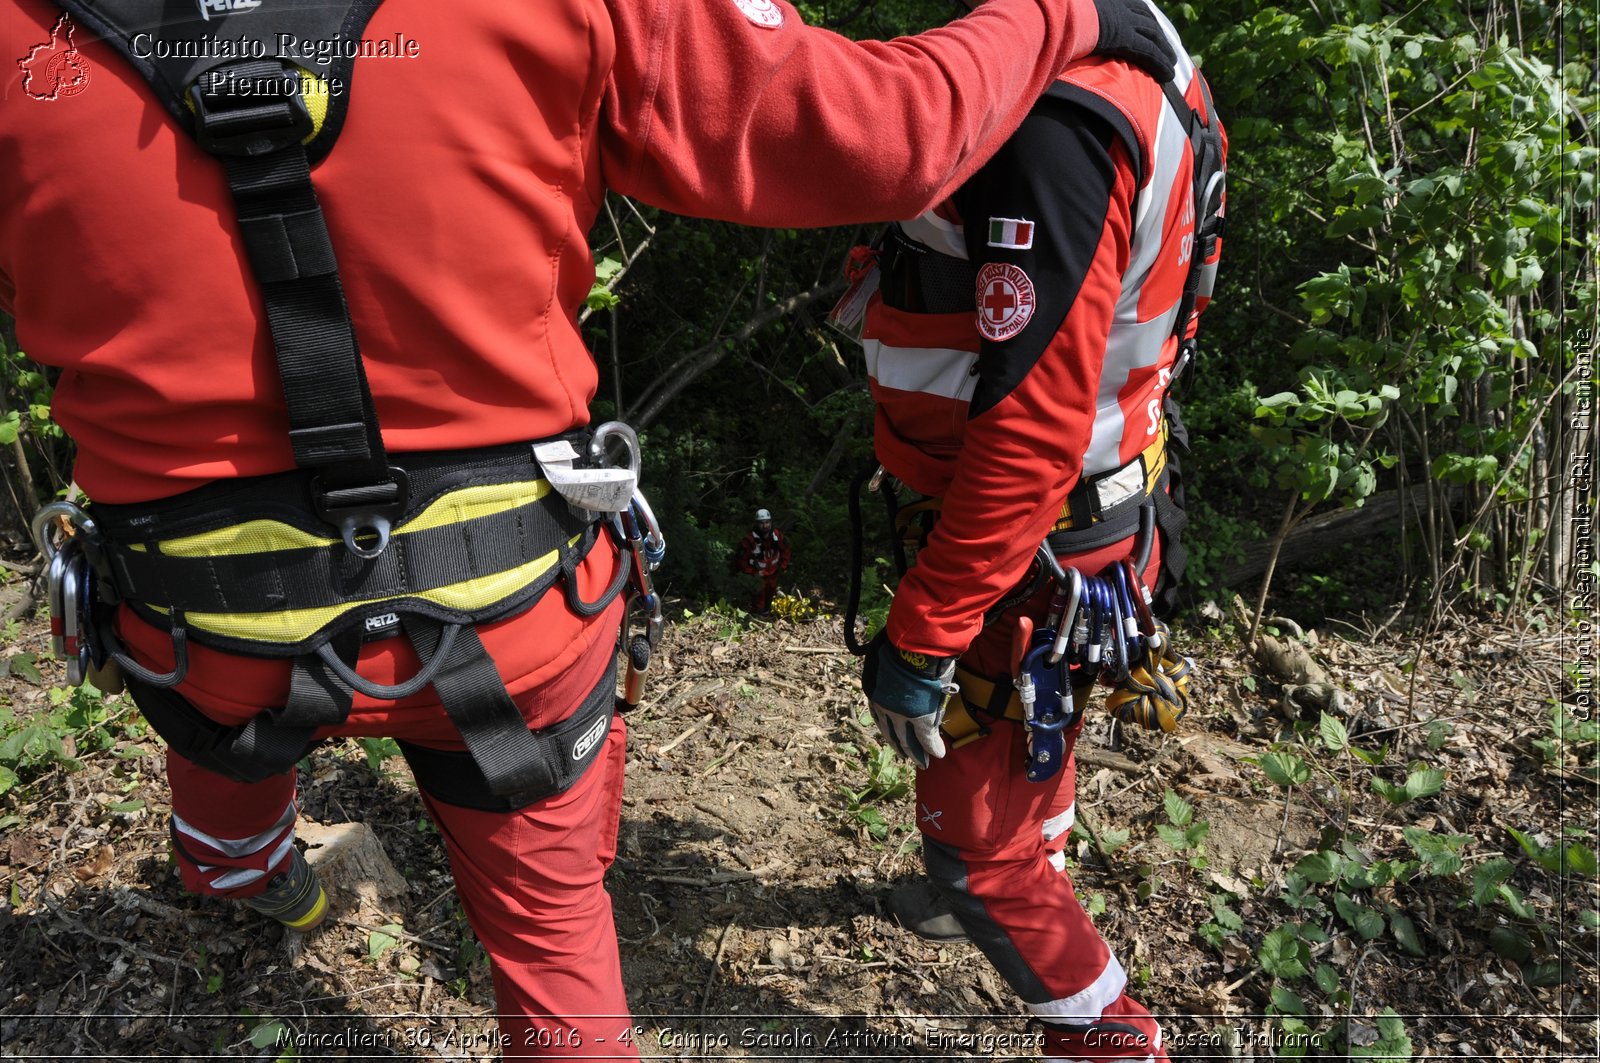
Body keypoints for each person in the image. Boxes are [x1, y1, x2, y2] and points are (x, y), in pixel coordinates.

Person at [4, 0, 1178, 1055]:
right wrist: (1057, 10)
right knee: (553, 932)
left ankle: (234, 865)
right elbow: (887, 135)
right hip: (504, 614)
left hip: (195, 619)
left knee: (220, 689)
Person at [851, 0, 1225, 1059]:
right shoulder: (1135, 45)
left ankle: (1106, 1035)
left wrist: (923, 634)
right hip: (1094, 519)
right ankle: (1033, 861)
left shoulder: (1059, 125)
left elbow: (1027, 434)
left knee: (975, 849)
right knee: (1029, 758)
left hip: (1029, 547)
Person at [734, 508, 791, 612]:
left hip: (774, 574)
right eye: (761, 523)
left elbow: (785, 550)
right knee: (759, 603)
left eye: (767, 522)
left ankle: (769, 615)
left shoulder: (777, 535)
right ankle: (758, 617)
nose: (765, 526)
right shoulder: (749, 540)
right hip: (758, 576)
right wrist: (753, 572)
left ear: (770, 522)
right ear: (756, 524)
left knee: (773, 601)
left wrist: (783, 565)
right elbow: (741, 560)